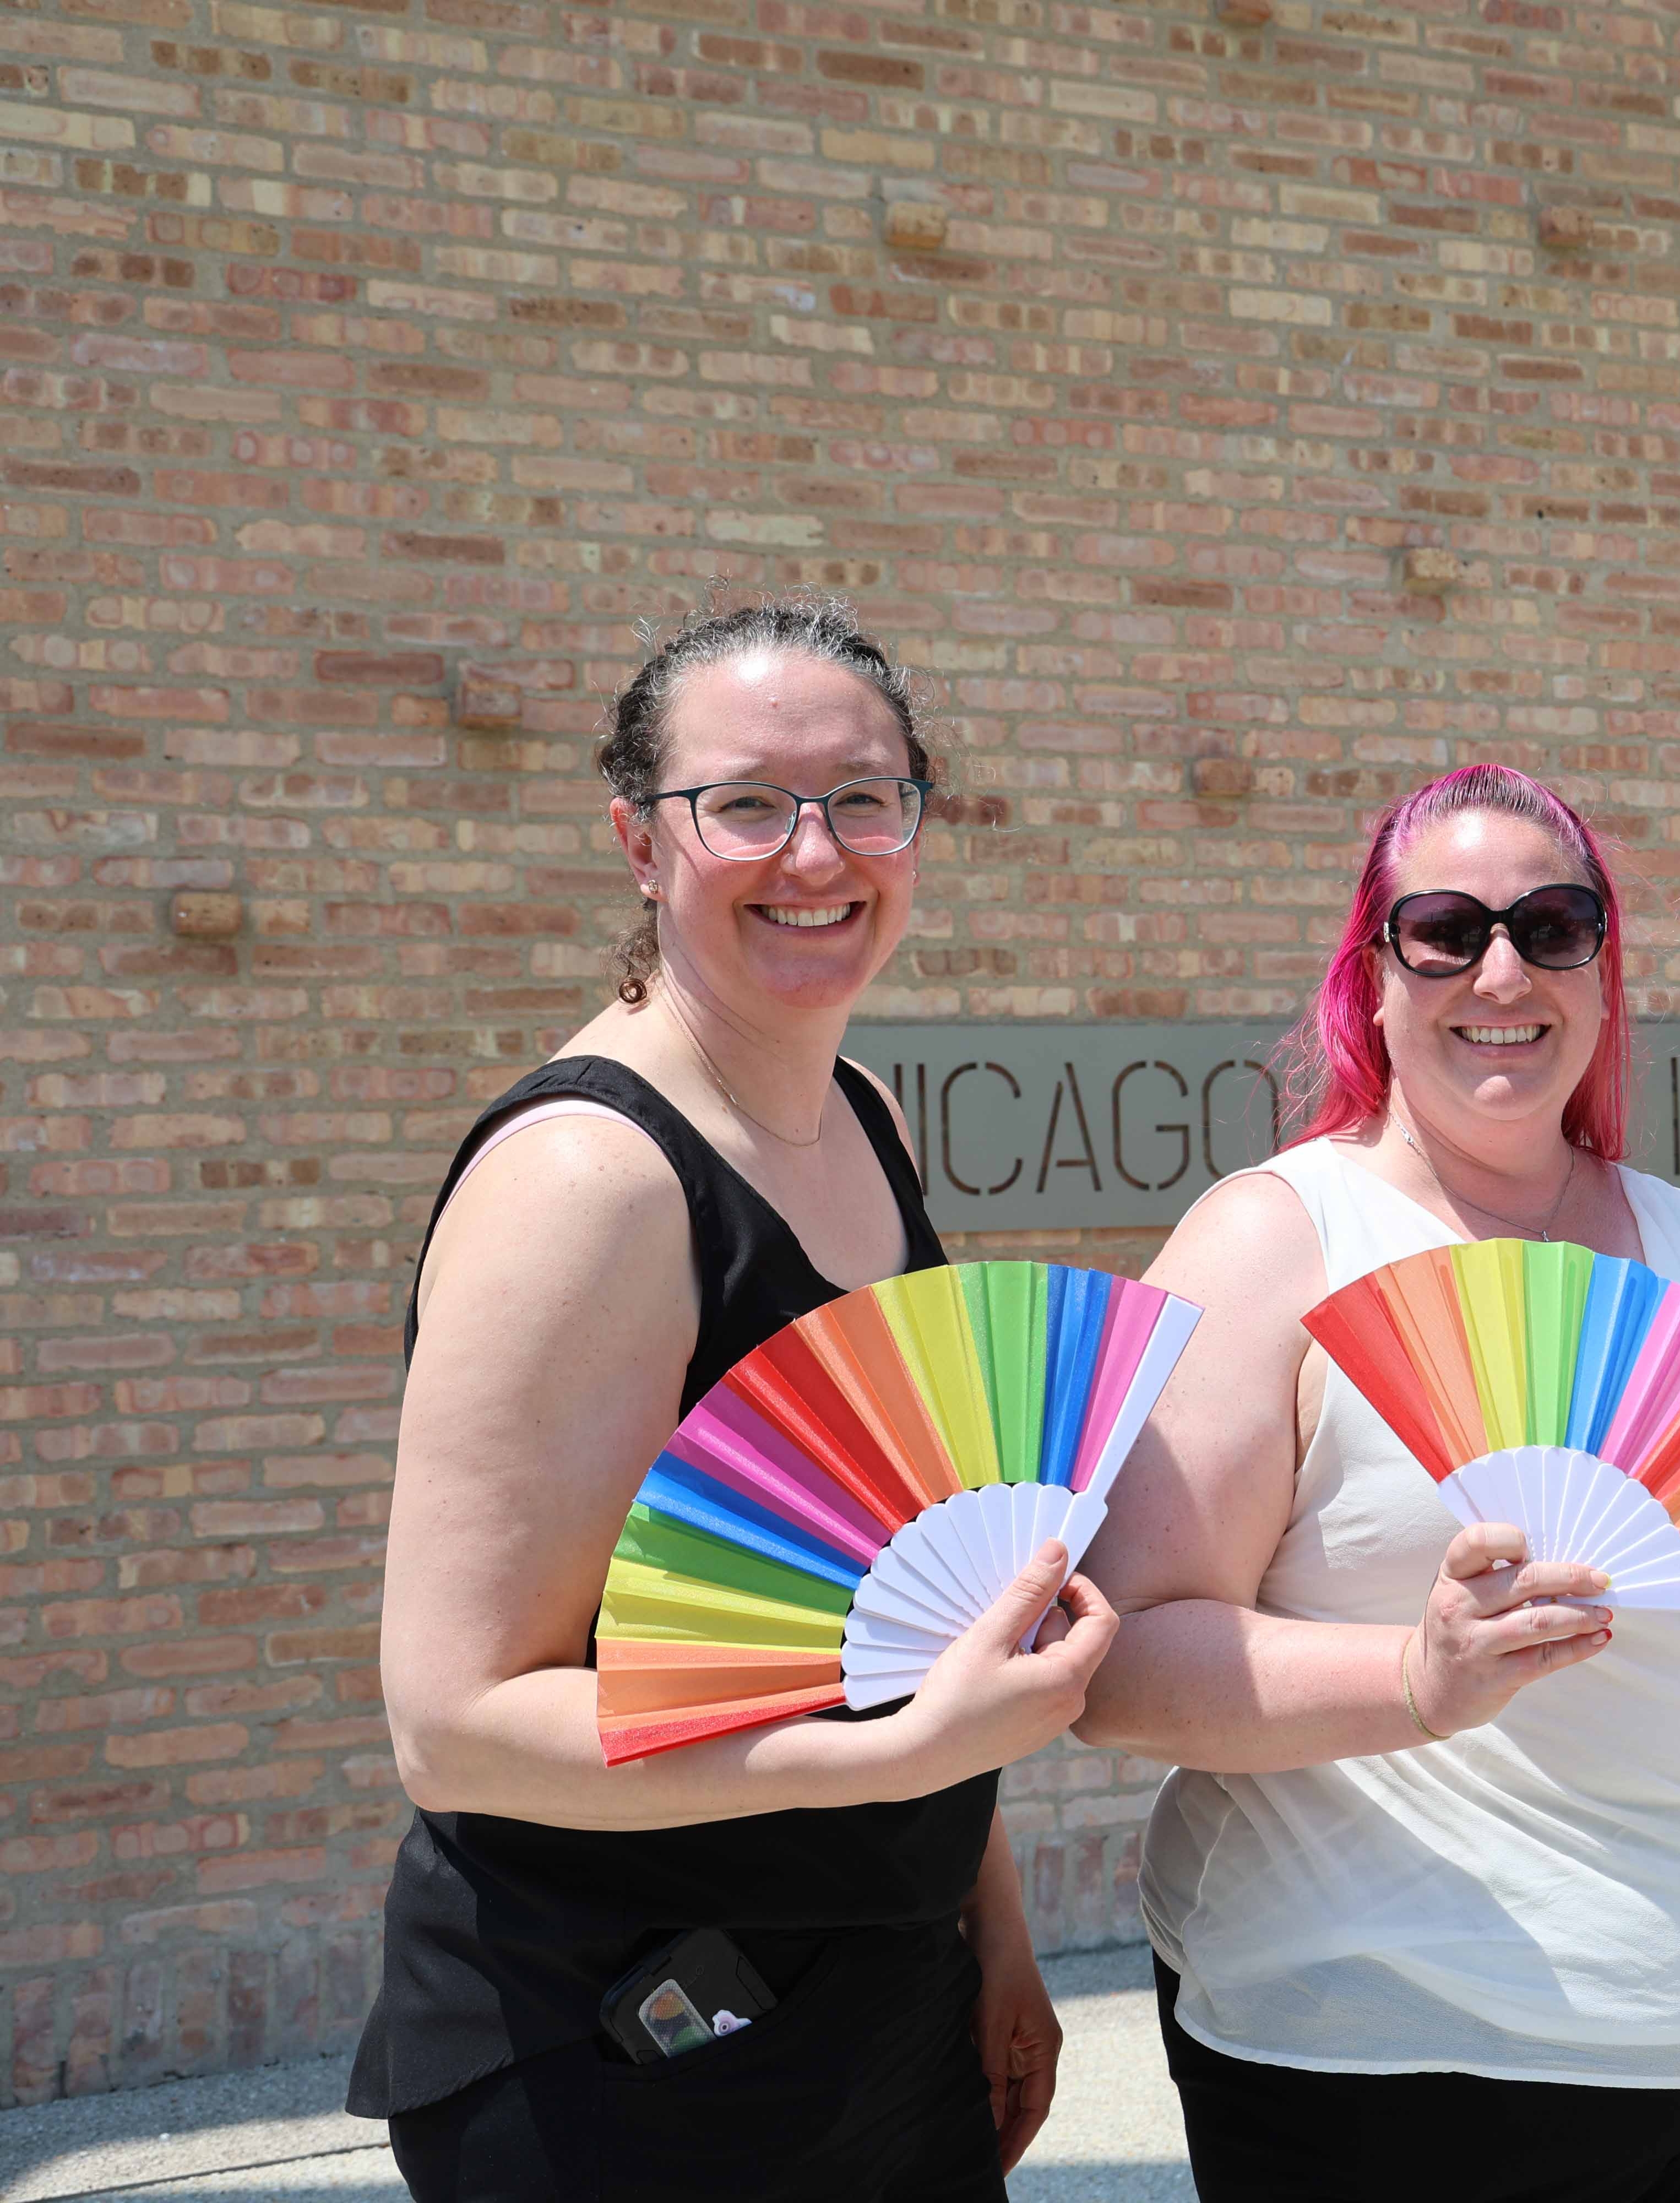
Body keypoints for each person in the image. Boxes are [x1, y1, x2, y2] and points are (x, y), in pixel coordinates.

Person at [349, 601, 1114, 2201]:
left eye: (864, 797)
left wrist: (994, 1926)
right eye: (748, 803)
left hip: (879, 2002)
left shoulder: (868, 1117)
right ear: (641, 839)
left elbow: (904, 1588)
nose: (816, 853)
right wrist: (891, 1766)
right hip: (620, 2055)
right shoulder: (590, 1180)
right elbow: (457, 1726)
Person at [1073, 764, 1680, 2202]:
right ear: (1373, 980)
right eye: (1445, 929)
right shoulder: (1277, 1239)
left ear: (1602, 969)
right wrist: (1419, 1674)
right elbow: (1115, 1657)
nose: (1500, 969)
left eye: (1552, 926)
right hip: (1400, 2069)